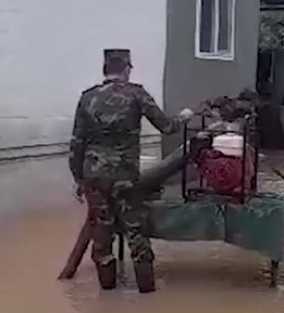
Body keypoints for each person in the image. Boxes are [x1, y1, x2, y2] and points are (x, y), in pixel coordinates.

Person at [68, 49, 193, 293]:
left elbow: (76, 143)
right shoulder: (136, 94)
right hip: (124, 177)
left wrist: (78, 179)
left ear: (106, 69)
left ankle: (107, 292)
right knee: (136, 231)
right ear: (126, 69)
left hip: (94, 176)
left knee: (102, 233)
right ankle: (146, 293)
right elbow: (167, 127)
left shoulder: (87, 98)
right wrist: (184, 117)